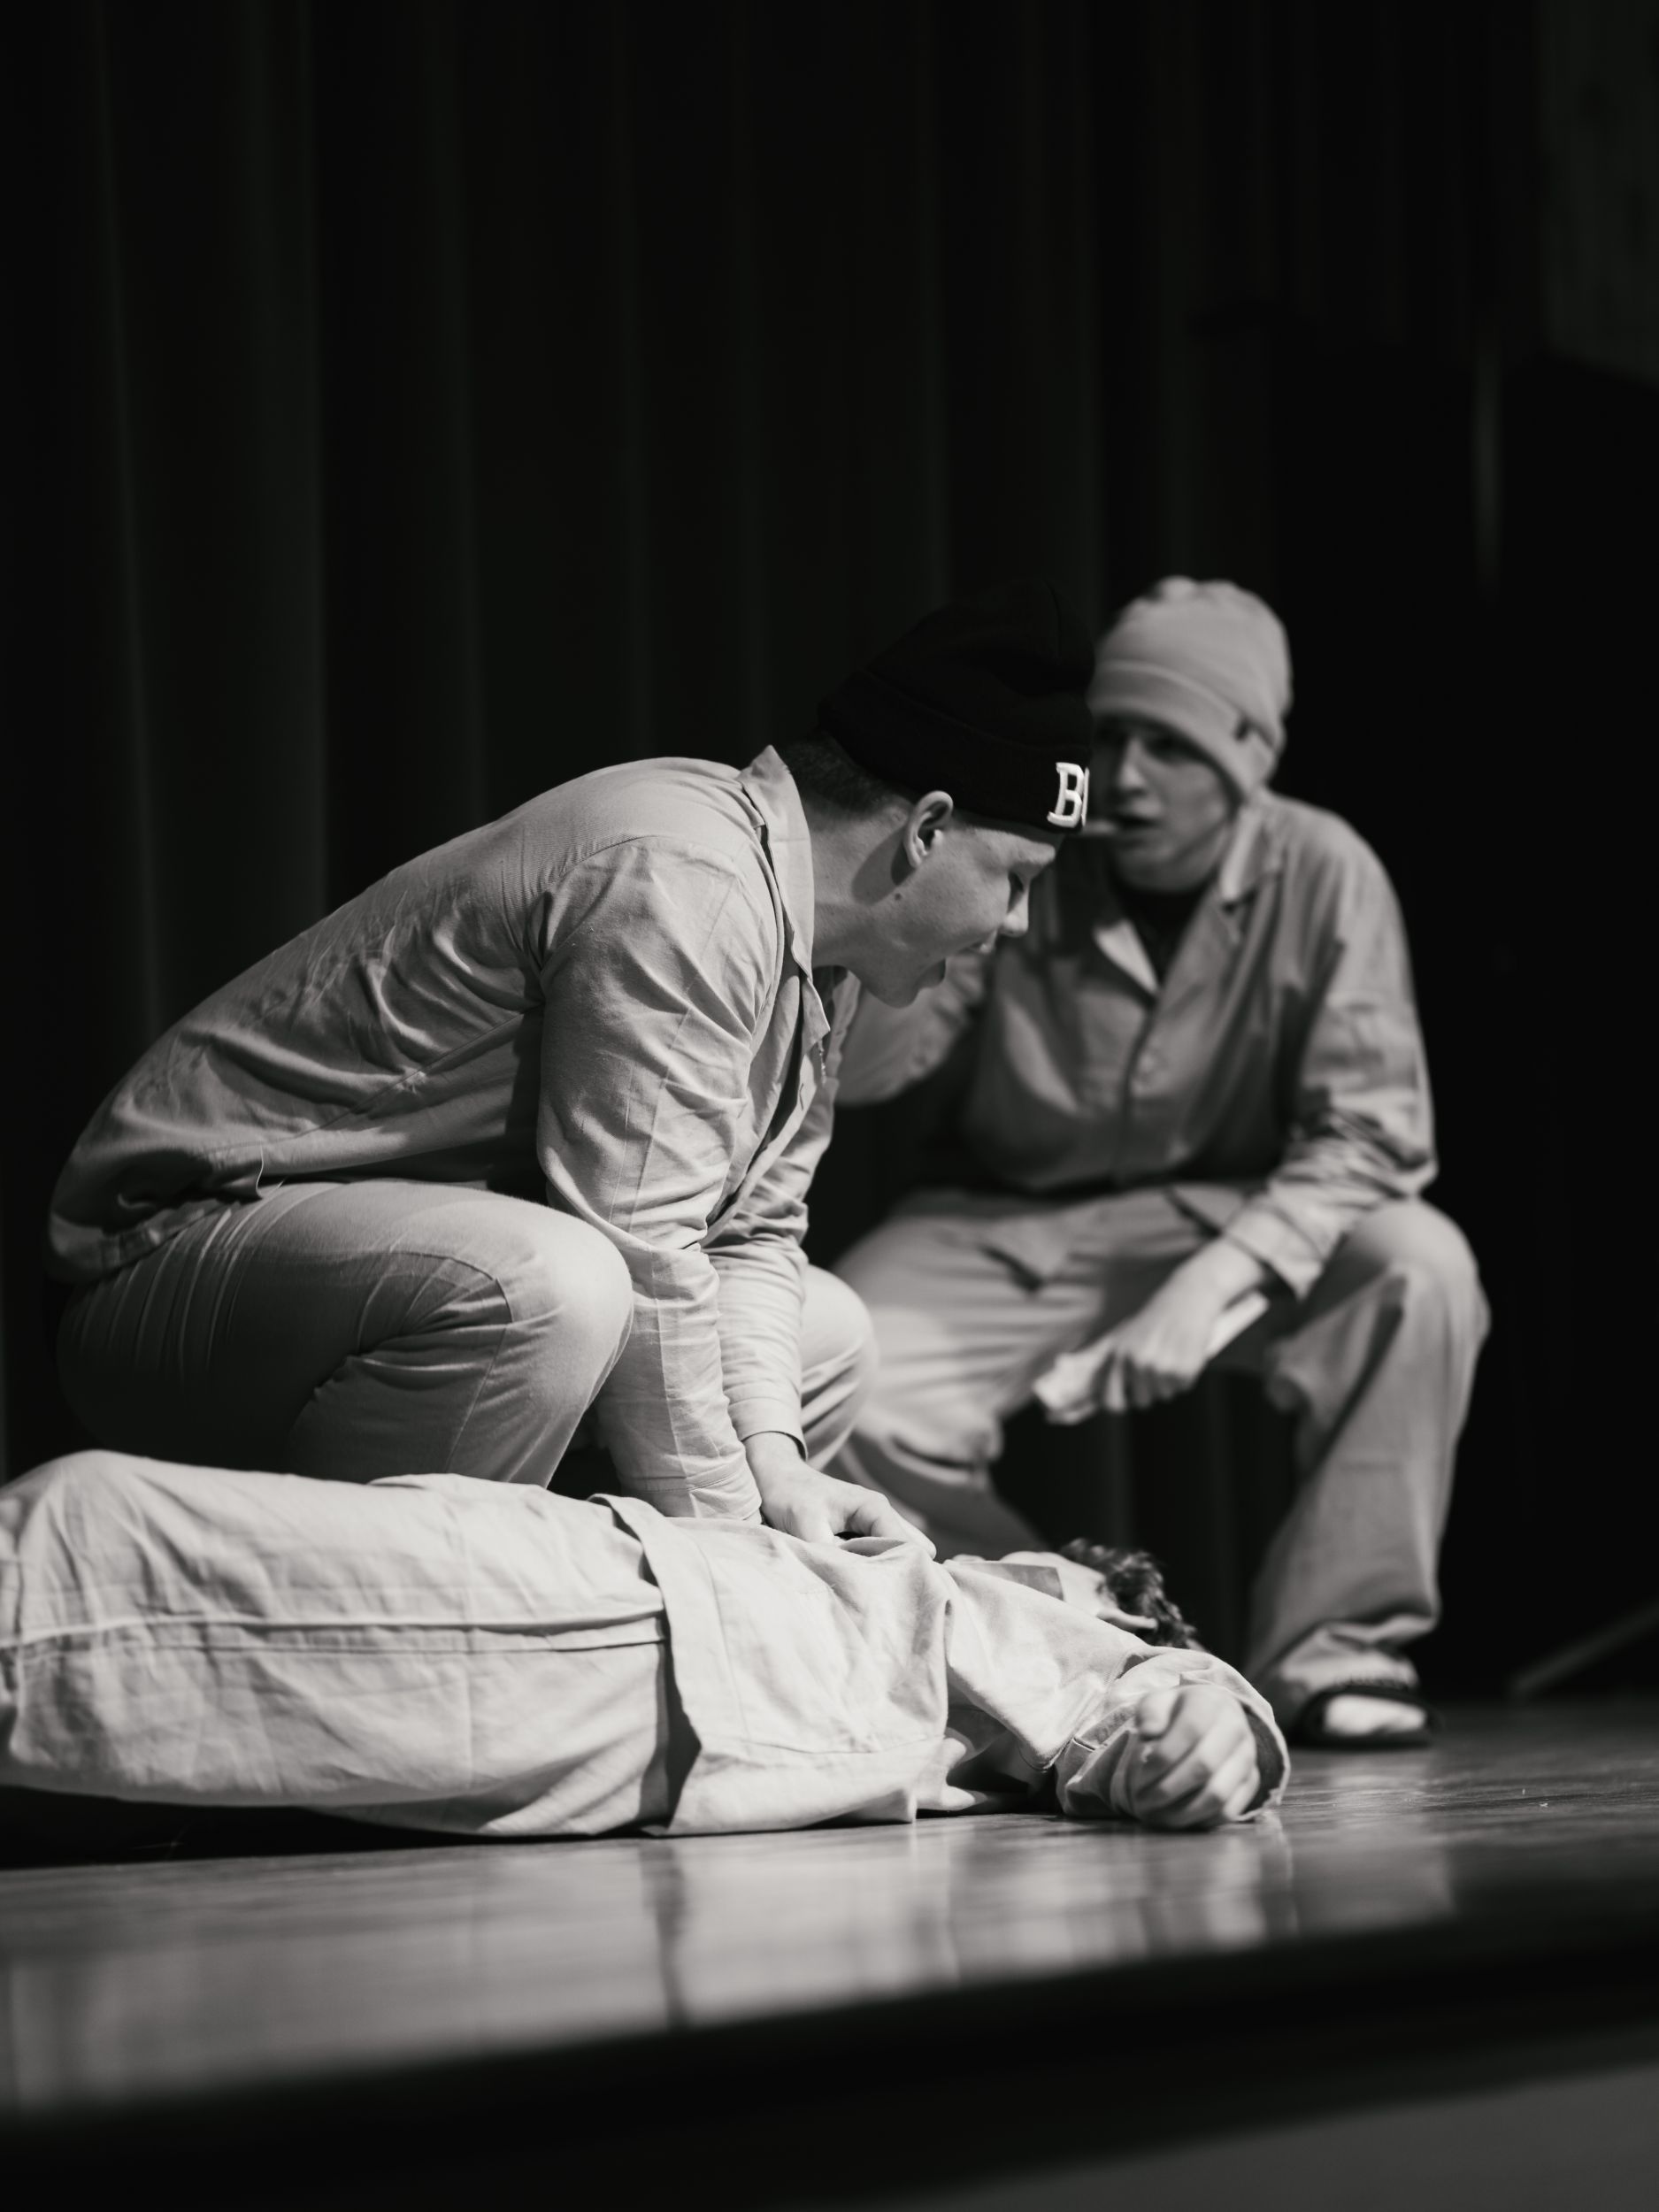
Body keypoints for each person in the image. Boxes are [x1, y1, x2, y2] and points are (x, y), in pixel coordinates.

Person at [48, 580, 1093, 1548]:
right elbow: (644, 1250)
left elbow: (751, 1233)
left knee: (828, 1335)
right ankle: (382, 1634)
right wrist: (748, 1553)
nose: (1015, 924)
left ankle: (595, 1627)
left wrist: (777, 1471)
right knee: (554, 1288)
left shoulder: (822, 945)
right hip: (167, 1256)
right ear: (927, 830)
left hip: (376, 1287)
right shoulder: (689, 877)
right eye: (1016, 879)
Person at [829, 579, 1488, 1746]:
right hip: (1004, 1218)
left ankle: (1335, 1653)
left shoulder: (1322, 869)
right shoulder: (1027, 851)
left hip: (1230, 1217)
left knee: (1419, 1269)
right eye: (1115, 736)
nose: (1127, 776)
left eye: (1171, 747)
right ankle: (1068, 1636)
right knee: (835, 1355)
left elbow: (1372, 1131)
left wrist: (1218, 1279)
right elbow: (874, 1072)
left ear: (1245, 759)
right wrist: (898, 910)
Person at [0, 1447, 1287, 1838]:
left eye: (1060, 1572)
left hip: (640, 1635)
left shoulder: (1034, 1619)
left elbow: (1160, 1697)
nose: (1016, 1565)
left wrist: (1213, 1726)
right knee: (101, 1554)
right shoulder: (912, 1586)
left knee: (100, 1548)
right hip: (614, 1584)